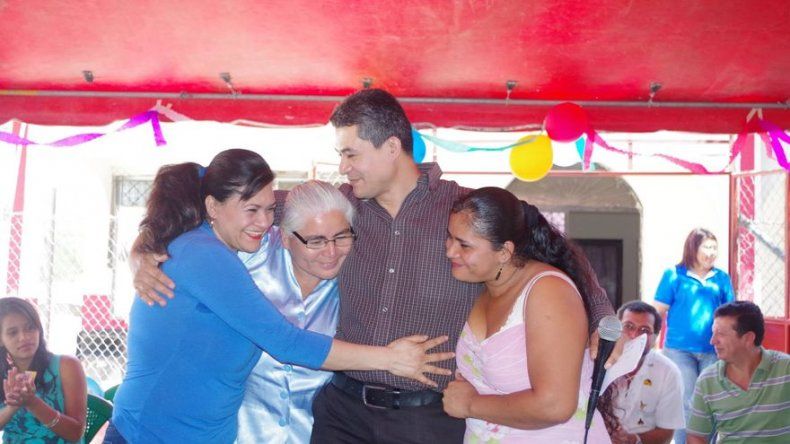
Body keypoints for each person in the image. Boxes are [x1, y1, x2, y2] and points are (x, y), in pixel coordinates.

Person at [134, 90, 615, 443]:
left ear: (390, 147)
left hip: (428, 417)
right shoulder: (331, 207)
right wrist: (146, 245)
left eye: (350, 153)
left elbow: (543, 239)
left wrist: (599, 316)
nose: (343, 166)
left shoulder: (463, 210)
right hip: (343, 410)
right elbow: (221, 197)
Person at [105, 149, 452, 444]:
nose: (263, 222)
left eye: (270, 210)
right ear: (212, 205)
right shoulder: (201, 253)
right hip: (151, 432)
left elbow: (195, 178)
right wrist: (391, 359)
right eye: (251, 209)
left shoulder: (221, 247)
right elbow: (286, 342)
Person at [441, 187, 612, 443]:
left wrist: (470, 405)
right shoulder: (487, 289)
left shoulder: (547, 291)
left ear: (504, 252)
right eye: (450, 237)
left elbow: (555, 405)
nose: (450, 251)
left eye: (464, 244)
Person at [235, 180, 355, 443]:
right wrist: (145, 255)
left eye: (341, 237)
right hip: (239, 431)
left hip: (310, 434)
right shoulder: (253, 255)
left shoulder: (353, 285)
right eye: (316, 241)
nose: (331, 252)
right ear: (286, 238)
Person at [653, 228, 734, 444]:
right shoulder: (673, 275)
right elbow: (658, 312)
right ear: (693, 248)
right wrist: (649, 344)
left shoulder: (722, 278)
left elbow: (731, 314)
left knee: (711, 401)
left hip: (714, 350)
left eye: (714, 247)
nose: (711, 252)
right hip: (679, 351)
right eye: (707, 247)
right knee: (686, 402)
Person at [687, 301, 790, 443]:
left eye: (721, 334)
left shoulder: (785, 369)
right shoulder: (707, 380)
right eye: (713, 333)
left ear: (748, 338)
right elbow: (696, 436)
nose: (712, 341)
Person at [0, 297, 87, 443]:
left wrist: (33, 403)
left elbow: (75, 432)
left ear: (39, 330)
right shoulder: (4, 374)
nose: (24, 337)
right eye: (13, 332)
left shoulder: (67, 366)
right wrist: (12, 407)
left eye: (30, 328)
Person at [610, 301, 684, 444]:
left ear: (655, 336)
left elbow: (666, 434)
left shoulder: (668, 372)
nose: (635, 335)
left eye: (644, 330)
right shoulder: (596, 363)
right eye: (628, 327)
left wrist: (633, 440)